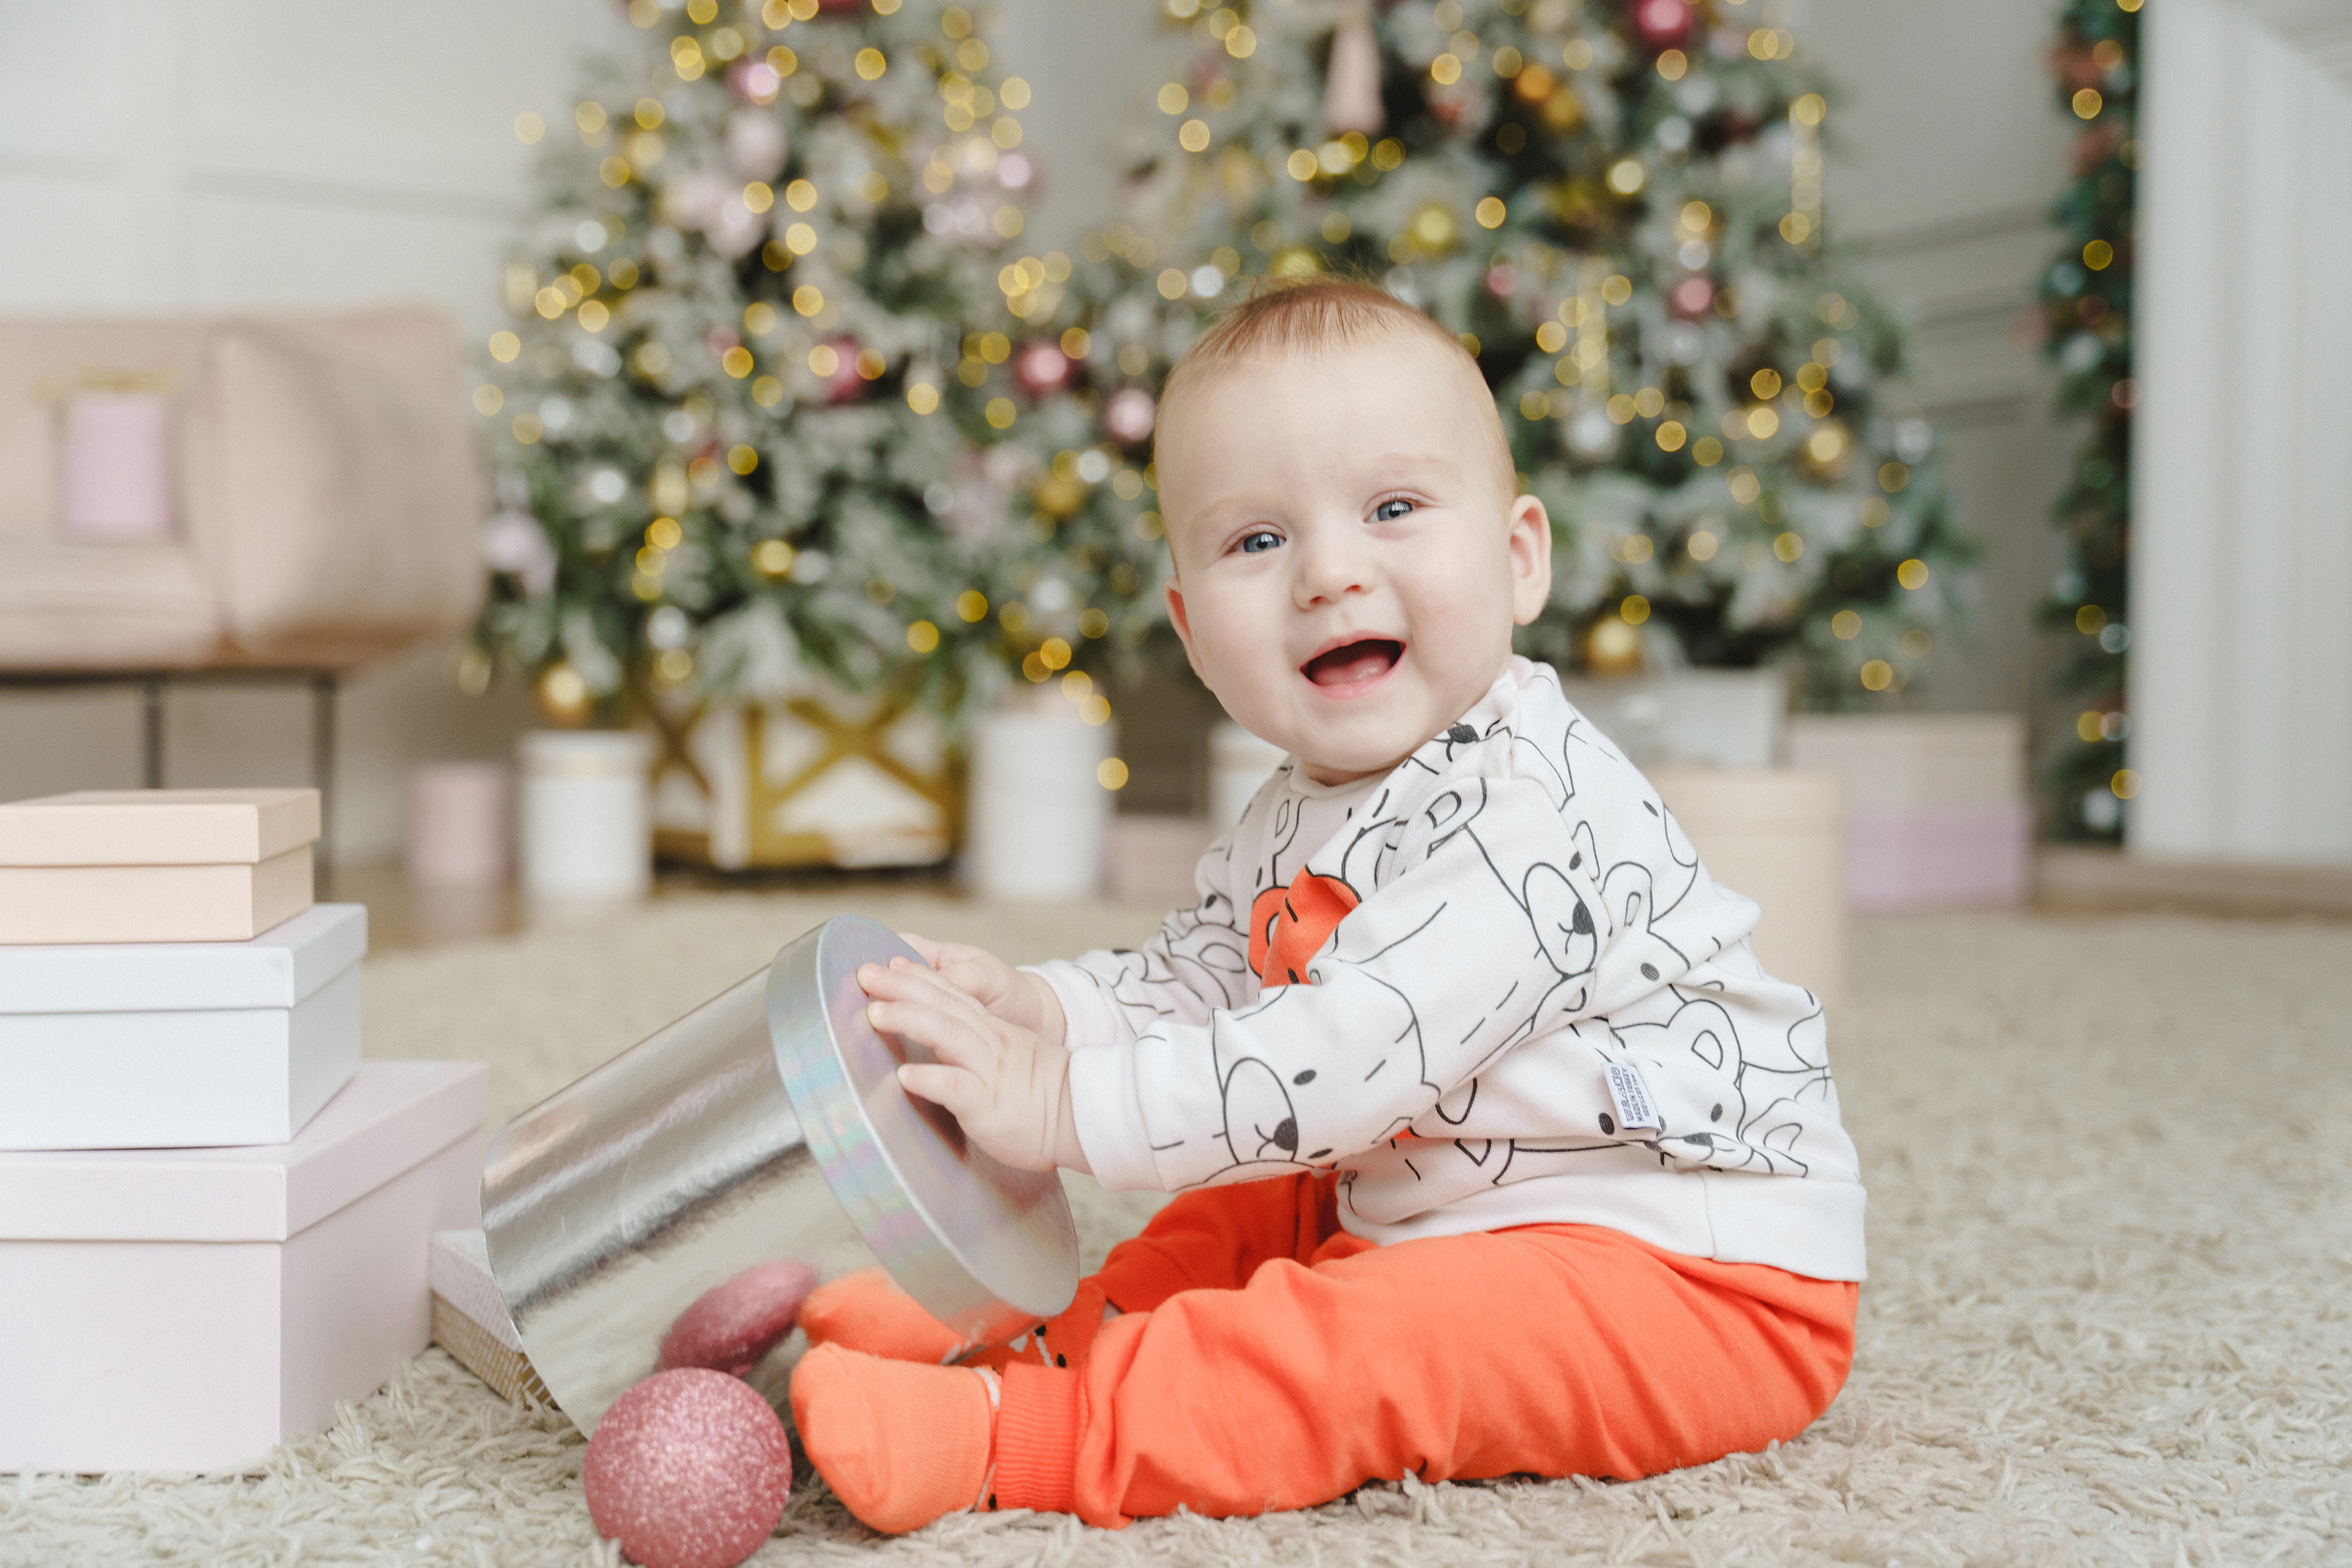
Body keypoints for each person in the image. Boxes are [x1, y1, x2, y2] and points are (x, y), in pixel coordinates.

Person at [788, 276, 1865, 1533]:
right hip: (1431, 1173)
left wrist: (1058, 1105)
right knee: (1246, 1204)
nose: (1331, 575)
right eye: (1258, 540)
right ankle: (1041, 1335)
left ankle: (1021, 1437)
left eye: (1394, 509)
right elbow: (1203, 979)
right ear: (1192, 630)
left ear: (1519, 560)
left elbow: (1339, 1060)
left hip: (1688, 1269)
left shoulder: (1537, 811)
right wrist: (1039, 1009)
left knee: (1369, 1340)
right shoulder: (1306, 802)